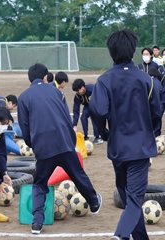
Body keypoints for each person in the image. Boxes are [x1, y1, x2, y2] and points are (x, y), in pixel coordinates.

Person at [89, 29, 162, 240]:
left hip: (118, 147)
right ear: (134, 51)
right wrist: (149, 131)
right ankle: (120, 235)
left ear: (111, 52)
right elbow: (157, 113)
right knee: (135, 199)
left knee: (129, 197)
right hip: (140, 147)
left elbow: (98, 110)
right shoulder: (147, 80)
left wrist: (103, 131)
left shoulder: (104, 80)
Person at [17, 63, 102, 234]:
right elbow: (66, 117)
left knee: (40, 184)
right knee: (77, 174)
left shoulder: (23, 97)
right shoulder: (57, 91)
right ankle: (93, 203)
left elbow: (25, 127)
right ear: (46, 77)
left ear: (29, 80)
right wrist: (70, 142)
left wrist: (34, 144)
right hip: (64, 143)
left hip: (43, 148)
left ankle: (37, 223)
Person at [72, 79, 103, 144]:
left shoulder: (93, 89)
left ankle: (98, 137)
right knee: (83, 116)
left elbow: (102, 97)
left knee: (94, 116)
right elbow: (76, 110)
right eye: (76, 91)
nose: (77, 92)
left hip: (97, 105)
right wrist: (74, 124)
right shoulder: (77, 96)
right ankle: (85, 136)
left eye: (78, 90)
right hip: (87, 106)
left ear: (83, 87)